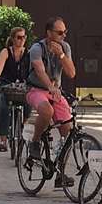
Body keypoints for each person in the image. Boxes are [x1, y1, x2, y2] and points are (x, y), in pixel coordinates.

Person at [25, 17, 78, 184]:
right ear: (49, 33)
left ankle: (60, 173)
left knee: (67, 130)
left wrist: (61, 55)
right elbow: (40, 71)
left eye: (65, 32)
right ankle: (35, 142)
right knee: (47, 111)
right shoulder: (36, 48)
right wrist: (50, 87)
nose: (63, 36)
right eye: (59, 32)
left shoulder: (65, 47)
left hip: (55, 92)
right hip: (36, 90)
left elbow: (71, 73)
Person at [0, 26, 31, 154]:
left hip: (23, 86)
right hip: (7, 85)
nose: (22, 40)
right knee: (3, 108)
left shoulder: (28, 53)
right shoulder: (6, 52)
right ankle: (3, 141)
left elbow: (33, 70)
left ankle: (22, 126)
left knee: (29, 104)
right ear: (13, 39)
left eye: (24, 37)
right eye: (19, 37)